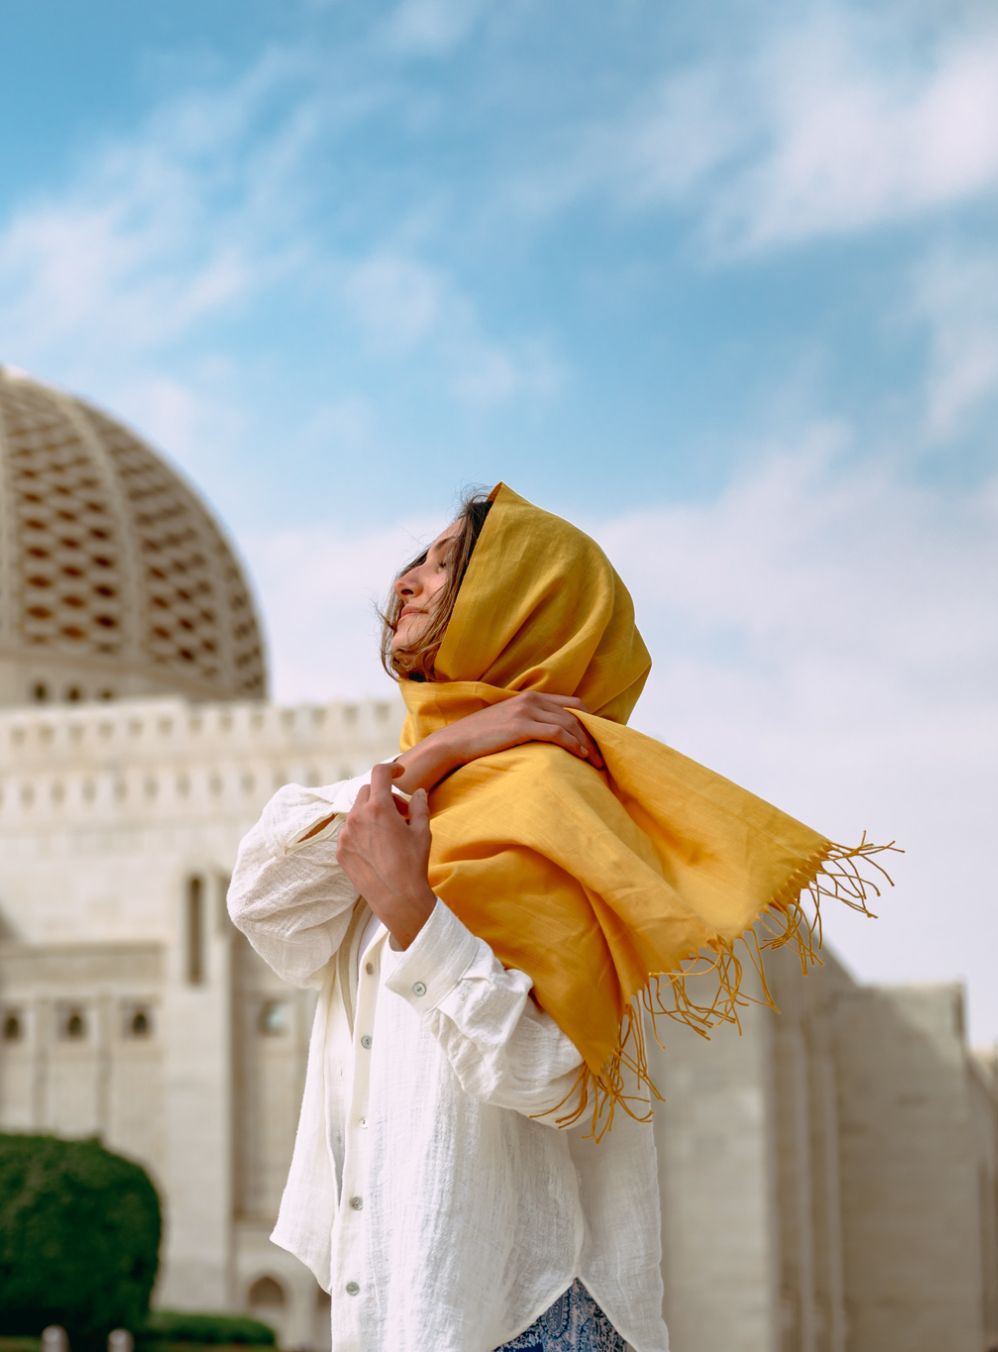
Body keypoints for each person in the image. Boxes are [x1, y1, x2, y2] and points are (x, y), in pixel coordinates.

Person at [228, 483, 891, 1352]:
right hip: (410, 1298)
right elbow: (264, 900)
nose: (406, 584)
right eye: (415, 562)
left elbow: (558, 1079)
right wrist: (444, 750)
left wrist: (415, 919)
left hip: (530, 1311)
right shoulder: (409, 796)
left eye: (446, 567)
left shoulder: (550, 802)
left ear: (523, 607)